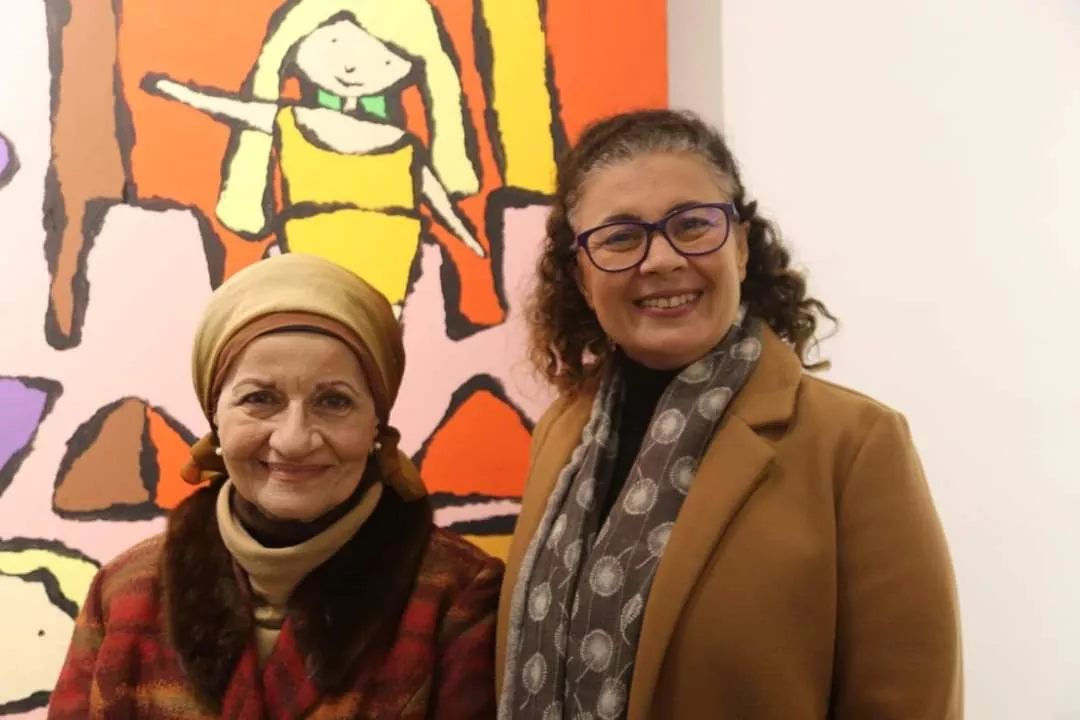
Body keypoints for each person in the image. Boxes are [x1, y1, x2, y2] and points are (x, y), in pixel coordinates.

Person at [496, 109, 962, 719]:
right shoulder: (563, 433)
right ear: (582, 277)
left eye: (692, 225)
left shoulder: (856, 445)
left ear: (740, 247)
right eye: (621, 237)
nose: (661, 259)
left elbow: (908, 704)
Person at [48, 253, 502, 718]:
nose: (294, 440)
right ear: (215, 417)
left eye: (334, 401)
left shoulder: (457, 597)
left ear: (376, 425)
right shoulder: (123, 594)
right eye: (260, 398)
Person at [142, 0, 486, 320]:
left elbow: (433, 195)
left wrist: (467, 237)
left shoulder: (403, 144)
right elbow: (229, 109)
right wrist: (175, 91)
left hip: (389, 259)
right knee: (322, 327)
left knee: (376, 337)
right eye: (333, 43)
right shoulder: (293, 120)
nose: (351, 66)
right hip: (314, 249)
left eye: (384, 56)